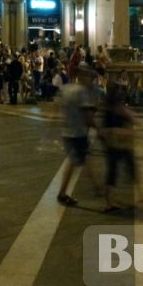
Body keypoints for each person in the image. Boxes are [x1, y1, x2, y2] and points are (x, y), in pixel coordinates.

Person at [57, 67, 99, 206]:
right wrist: (99, 130)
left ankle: (96, 186)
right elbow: (88, 117)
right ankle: (62, 193)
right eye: (90, 78)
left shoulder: (66, 88)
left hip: (67, 132)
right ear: (83, 77)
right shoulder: (82, 92)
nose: (92, 81)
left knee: (81, 159)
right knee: (76, 161)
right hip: (78, 133)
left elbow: (56, 107)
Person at [101, 86, 142, 212]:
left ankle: (141, 195)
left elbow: (134, 120)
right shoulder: (110, 112)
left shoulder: (120, 110)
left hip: (122, 146)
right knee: (113, 173)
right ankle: (109, 203)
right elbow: (107, 131)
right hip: (115, 146)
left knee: (130, 169)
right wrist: (124, 132)